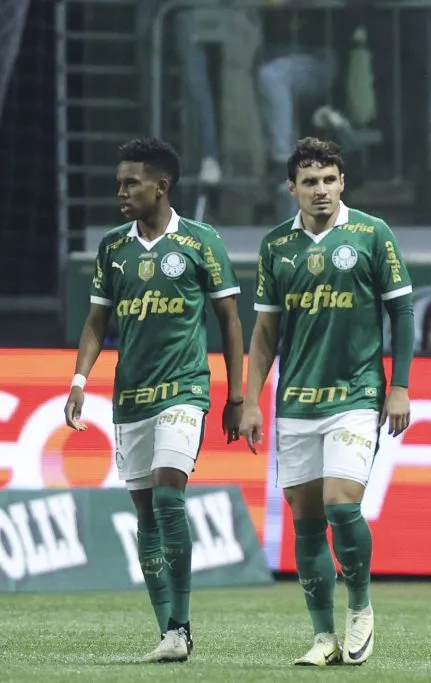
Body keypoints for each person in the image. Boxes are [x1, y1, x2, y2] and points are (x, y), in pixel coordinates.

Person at [63, 137, 244, 663]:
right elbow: (98, 322)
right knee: (145, 514)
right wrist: (78, 380)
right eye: (119, 183)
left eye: (130, 183)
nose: (121, 192)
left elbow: (230, 320)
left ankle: (182, 626)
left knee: (168, 497)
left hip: (185, 390)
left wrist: (236, 394)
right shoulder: (113, 248)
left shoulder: (201, 241)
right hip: (132, 398)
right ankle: (168, 630)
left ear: (161, 186)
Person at [239, 137, 415, 667]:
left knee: (342, 503)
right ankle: (322, 635)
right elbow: (266, 331)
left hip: (357, 393)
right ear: (291, 188)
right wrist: (251, 400)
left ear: (343, 183)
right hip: (296, 400)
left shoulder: (370, 234)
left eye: (330, 179)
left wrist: (400, 385)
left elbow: (401, 313)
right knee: (306, 520)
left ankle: (359, 607)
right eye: (310, 181)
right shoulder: (276, 246)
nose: (321, 190)